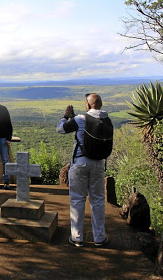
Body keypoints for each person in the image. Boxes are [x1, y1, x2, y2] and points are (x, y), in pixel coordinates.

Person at [56, 93, 109, 247]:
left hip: (80, 163)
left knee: (77, 199)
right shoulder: (107, 120)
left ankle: (77, 237)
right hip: (99, 163)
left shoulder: (80, 119)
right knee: (98, 201)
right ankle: (99, 238)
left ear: (87, 105)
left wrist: (66, 117)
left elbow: (60, 129)